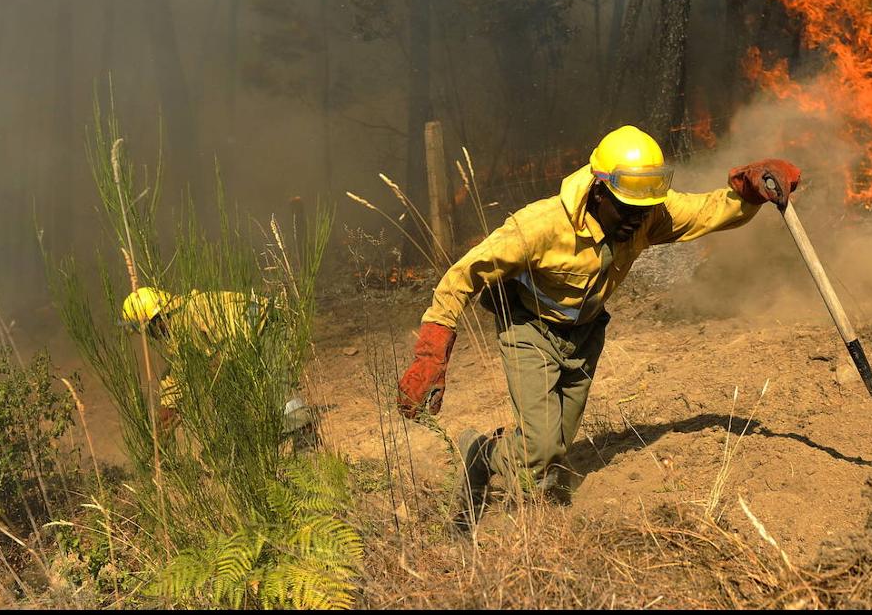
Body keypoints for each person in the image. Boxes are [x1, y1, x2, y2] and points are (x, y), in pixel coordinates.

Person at [394, 125, 801, 526]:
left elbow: (709, 211)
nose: (635, 221)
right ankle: (481, 455)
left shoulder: (647, 213)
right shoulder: (538, 227)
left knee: (558, 444)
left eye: (644, 210)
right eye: (626, 208)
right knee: (540, 447)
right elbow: (461, 276)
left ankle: (509, 460)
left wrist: (750, 189)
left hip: (586, 333)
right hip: (530, 328)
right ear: (599, 190)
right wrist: (432, 352)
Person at [121, 287, 313, 441]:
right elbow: (179, 375)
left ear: (156, 320)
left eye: (147, 331)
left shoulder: (196, 311)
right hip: (246, 341)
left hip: (268, 328)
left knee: (277, 388)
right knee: (223, 390)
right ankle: (239, 442)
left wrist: (220, 365)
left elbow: (240, 335)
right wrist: (167, 411)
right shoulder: (177, 328)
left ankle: (305, 437)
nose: (151, 337)